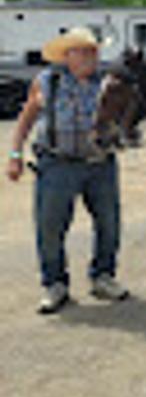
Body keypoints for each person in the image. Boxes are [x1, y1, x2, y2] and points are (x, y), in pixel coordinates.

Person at [6, 26, 129, 314]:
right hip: (57, 164)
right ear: (66, 55)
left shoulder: (108, 83)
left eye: (93, 51)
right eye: (82, 50)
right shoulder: (47, 81)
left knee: (109, 225)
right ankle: (55, 285)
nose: (90, 56)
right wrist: (15, 155)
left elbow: (124, 118)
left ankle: (103, 277)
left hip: (101, 165)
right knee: (50, 228)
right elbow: (25, 119)